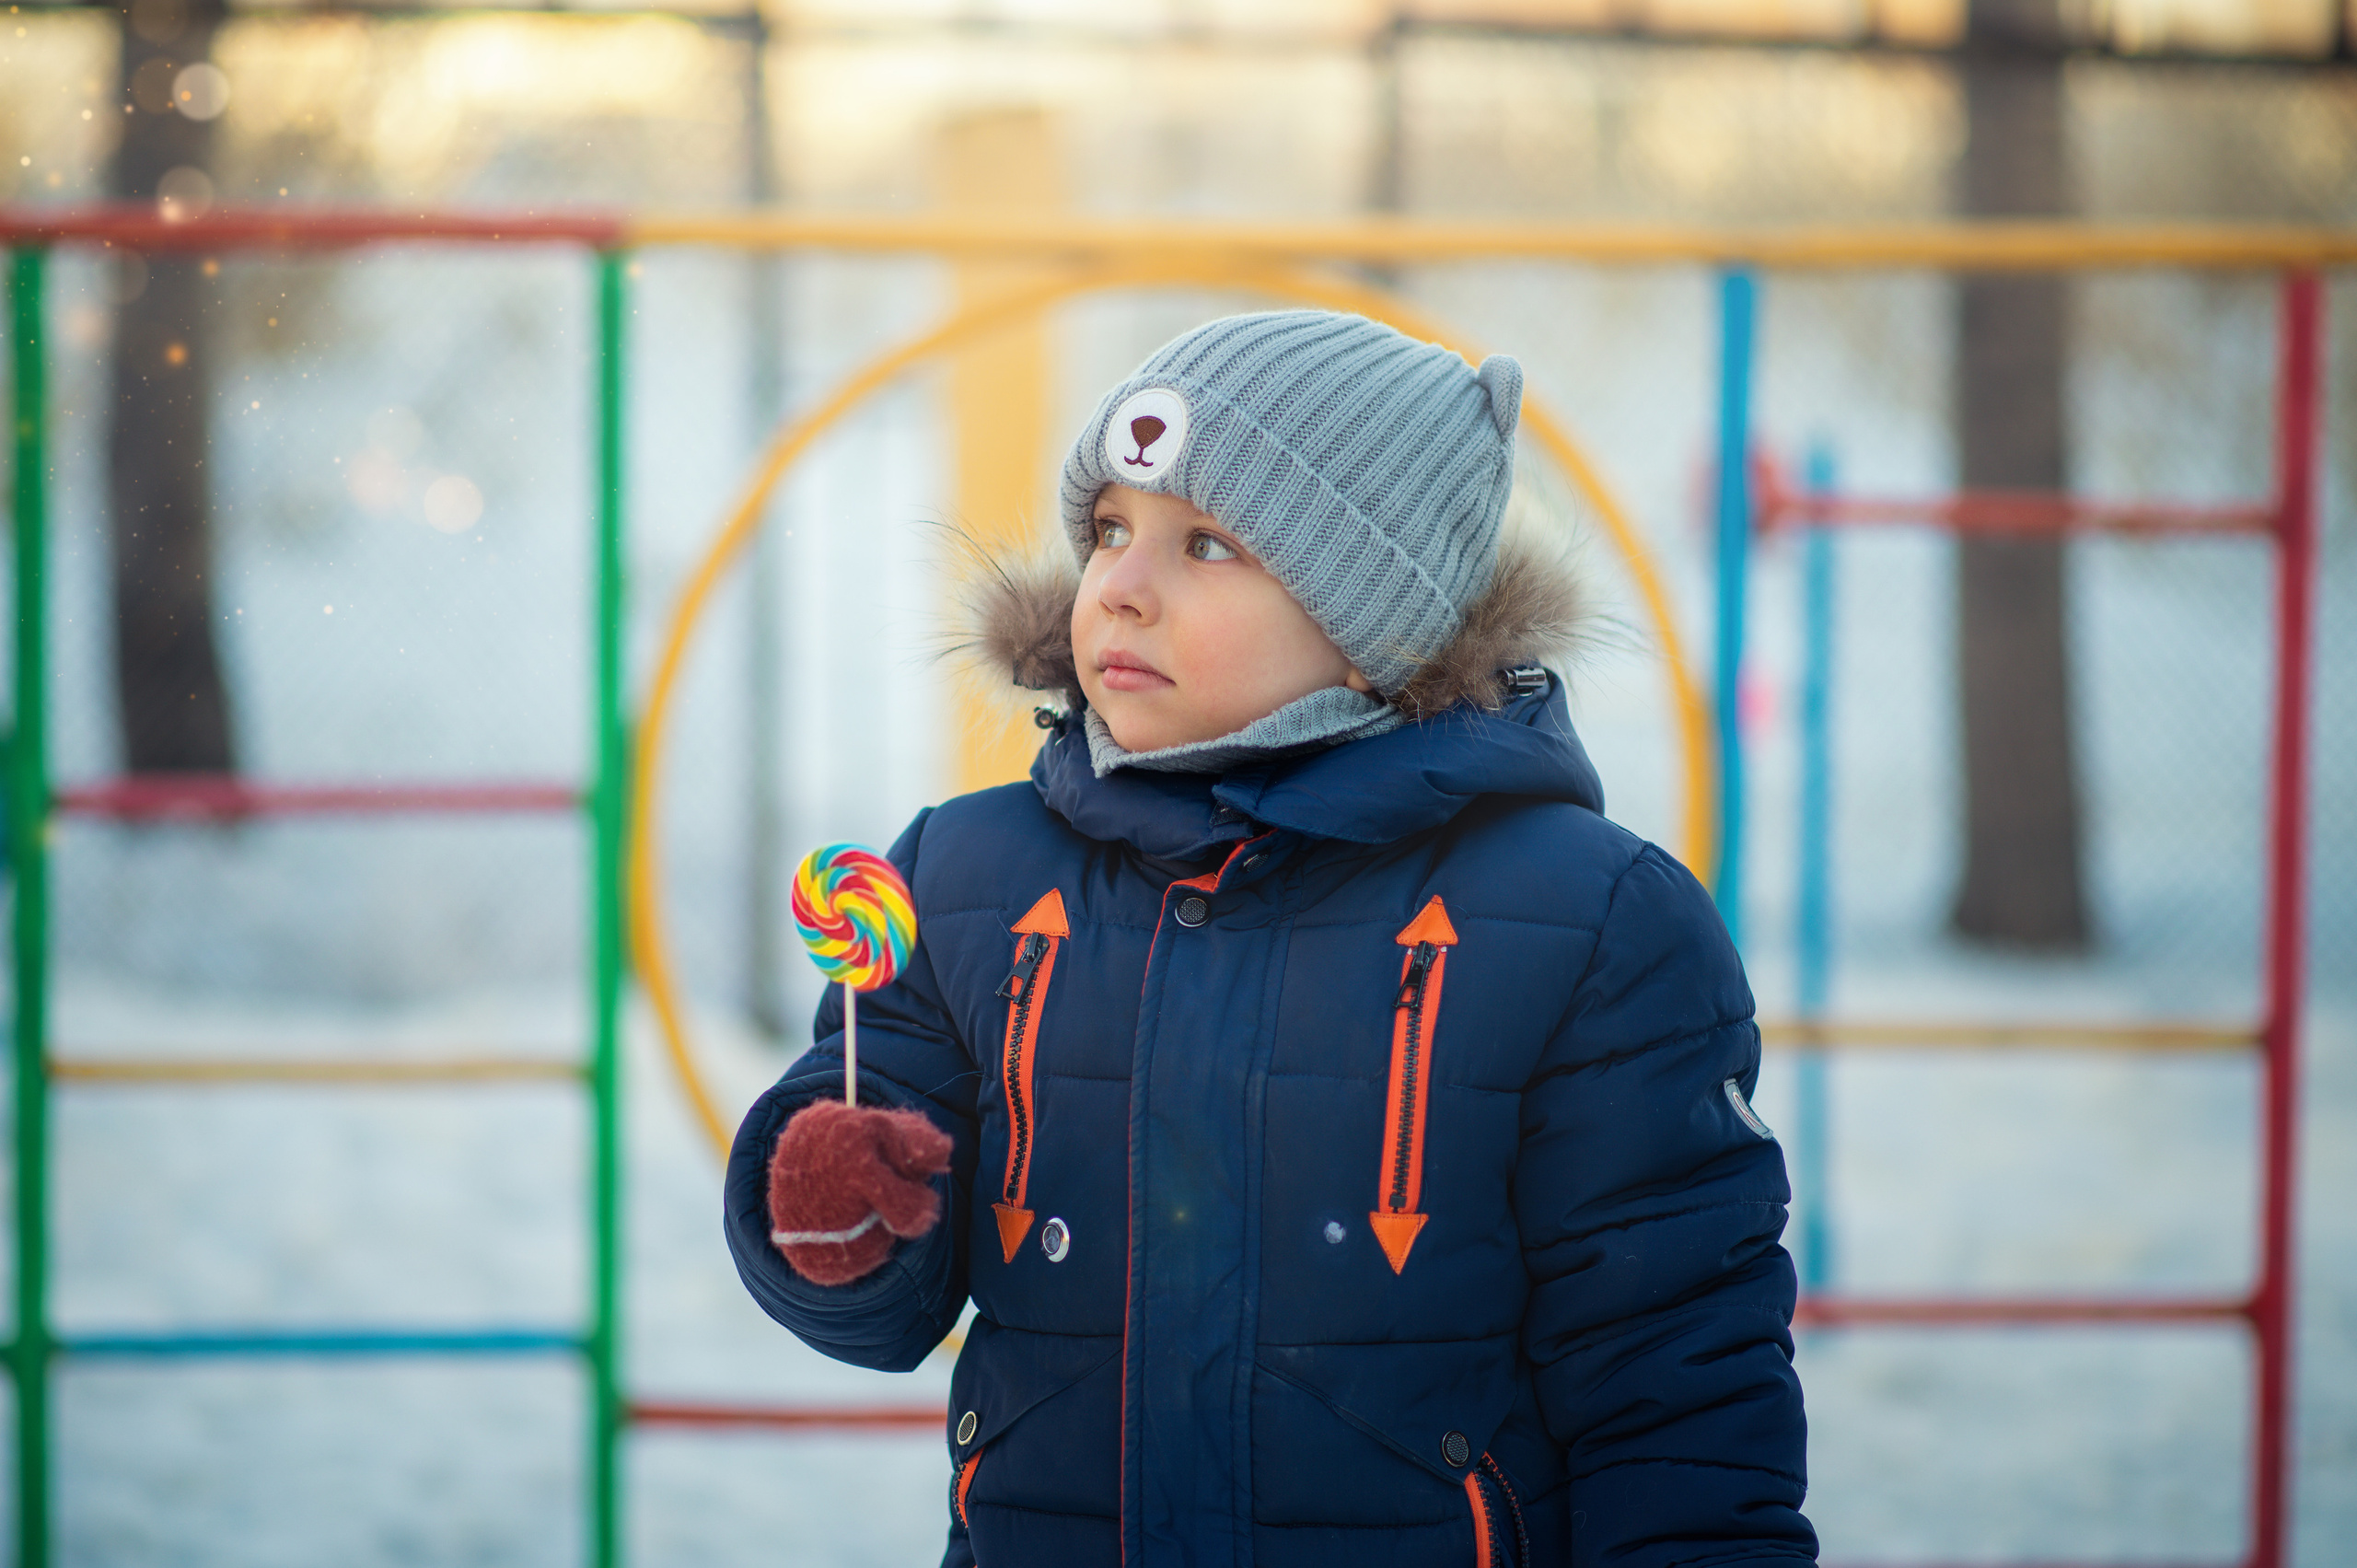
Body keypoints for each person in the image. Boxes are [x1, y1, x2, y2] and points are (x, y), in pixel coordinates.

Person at [726, 309, 1816, 1568]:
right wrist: (831, 1217)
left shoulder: (1587, 920)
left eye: (1208, 544)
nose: (1120, 586)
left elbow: (1673, 1370)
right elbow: (881, 1302)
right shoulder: (969, 878)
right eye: (1109, 530)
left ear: (1375, 626)